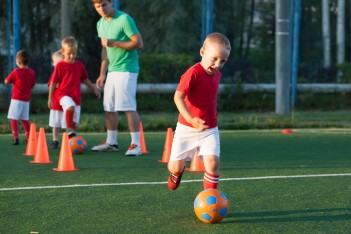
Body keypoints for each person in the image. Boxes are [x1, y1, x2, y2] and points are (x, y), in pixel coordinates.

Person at [167, 33, 231, 190]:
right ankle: (176, 174)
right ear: (202, 52)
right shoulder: (193, 73)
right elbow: (178, 97)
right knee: (174, 167)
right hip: (186, 128)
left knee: (213, 163)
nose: (217, 64)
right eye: (214, 58)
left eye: (223, 61)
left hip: (209, 129)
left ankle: (211, 197)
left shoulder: (217, 74)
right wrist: (191, 119)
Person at [91, 0, 144, 156]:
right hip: (112, 72)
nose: (101, 9)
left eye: (104, 5)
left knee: (128, 107)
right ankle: (111, 142)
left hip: (127, 70)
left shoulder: (124, 19)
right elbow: (104, 49)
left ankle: (136, 145)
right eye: (97, 6)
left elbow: (138, 43)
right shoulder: (100, 23)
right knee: (109, 107)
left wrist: (115, 43)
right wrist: (102, 73)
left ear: (111, 3)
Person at [48, 37, 101, 139]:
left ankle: (70, 141)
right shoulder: (60, 66)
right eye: (69, 53)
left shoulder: (79, 65)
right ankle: (68, 129)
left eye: (74, 53)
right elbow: (53, 83)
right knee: (70, 106)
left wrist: (94, 89)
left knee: (74, 120)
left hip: (75, 96)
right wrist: (50, 98)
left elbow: (85, 79)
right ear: (63, 52)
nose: (72, 56)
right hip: (62, 95)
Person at [4, 50, 36, 145]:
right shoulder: (31, 72)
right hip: (26, 100)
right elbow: (32, 85)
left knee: (13, 118)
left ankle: (16, 137)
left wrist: (12, 82)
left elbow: (6, 81)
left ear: (18, 62)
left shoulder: (16, 71)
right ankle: (29, 137)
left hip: (16, 99)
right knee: (24, 119)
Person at [48, 50, 64, 149]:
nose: (53, 64)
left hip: (66, 104)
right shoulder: (54, 74)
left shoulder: (66, 71)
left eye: (55, 61)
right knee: (55, 123)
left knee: (69, 122)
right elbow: (50, 84)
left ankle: (69, 139)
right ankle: (55, 139)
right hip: (56, 103)